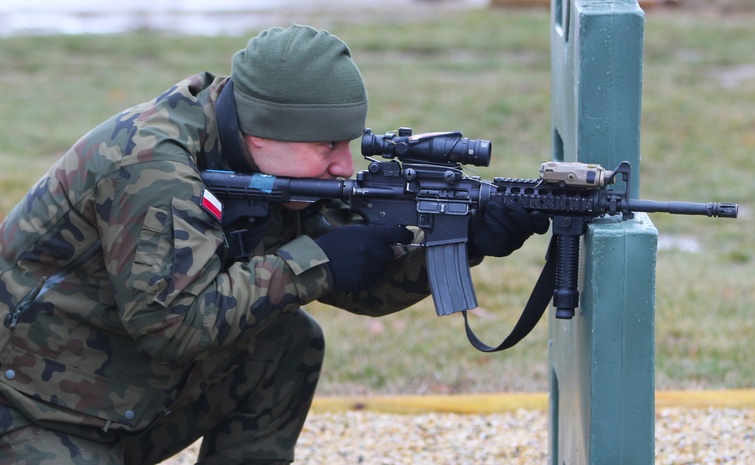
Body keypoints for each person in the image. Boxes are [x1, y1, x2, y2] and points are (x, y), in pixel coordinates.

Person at [0, 25, 548, 464]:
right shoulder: (151, 168)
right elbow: (172, 325)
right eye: (327, 146)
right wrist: (319, 262)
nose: (343, 166)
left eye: (348, 144)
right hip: (33, 414)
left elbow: (361, 284)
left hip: (123, 398)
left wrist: (462, 240)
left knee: (288, 341)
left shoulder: (270, 167)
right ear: (262, 132)